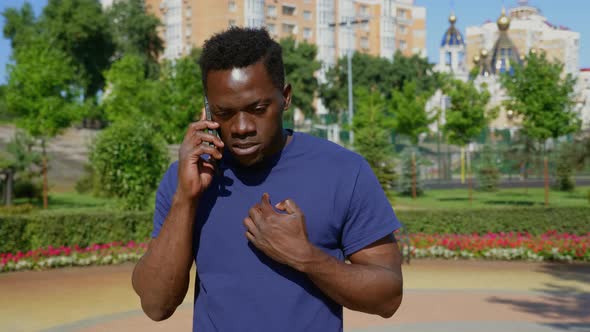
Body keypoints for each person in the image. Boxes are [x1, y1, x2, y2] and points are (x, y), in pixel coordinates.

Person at [132, 27, 403, 332]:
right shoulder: (187, 177)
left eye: (258, 109)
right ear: (208, 109)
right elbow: (156, 305)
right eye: (225, 113)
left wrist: (307, 258)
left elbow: (388, 296)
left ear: (285, 97)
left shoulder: (344, 171)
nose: (242, 127)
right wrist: (186, 199)